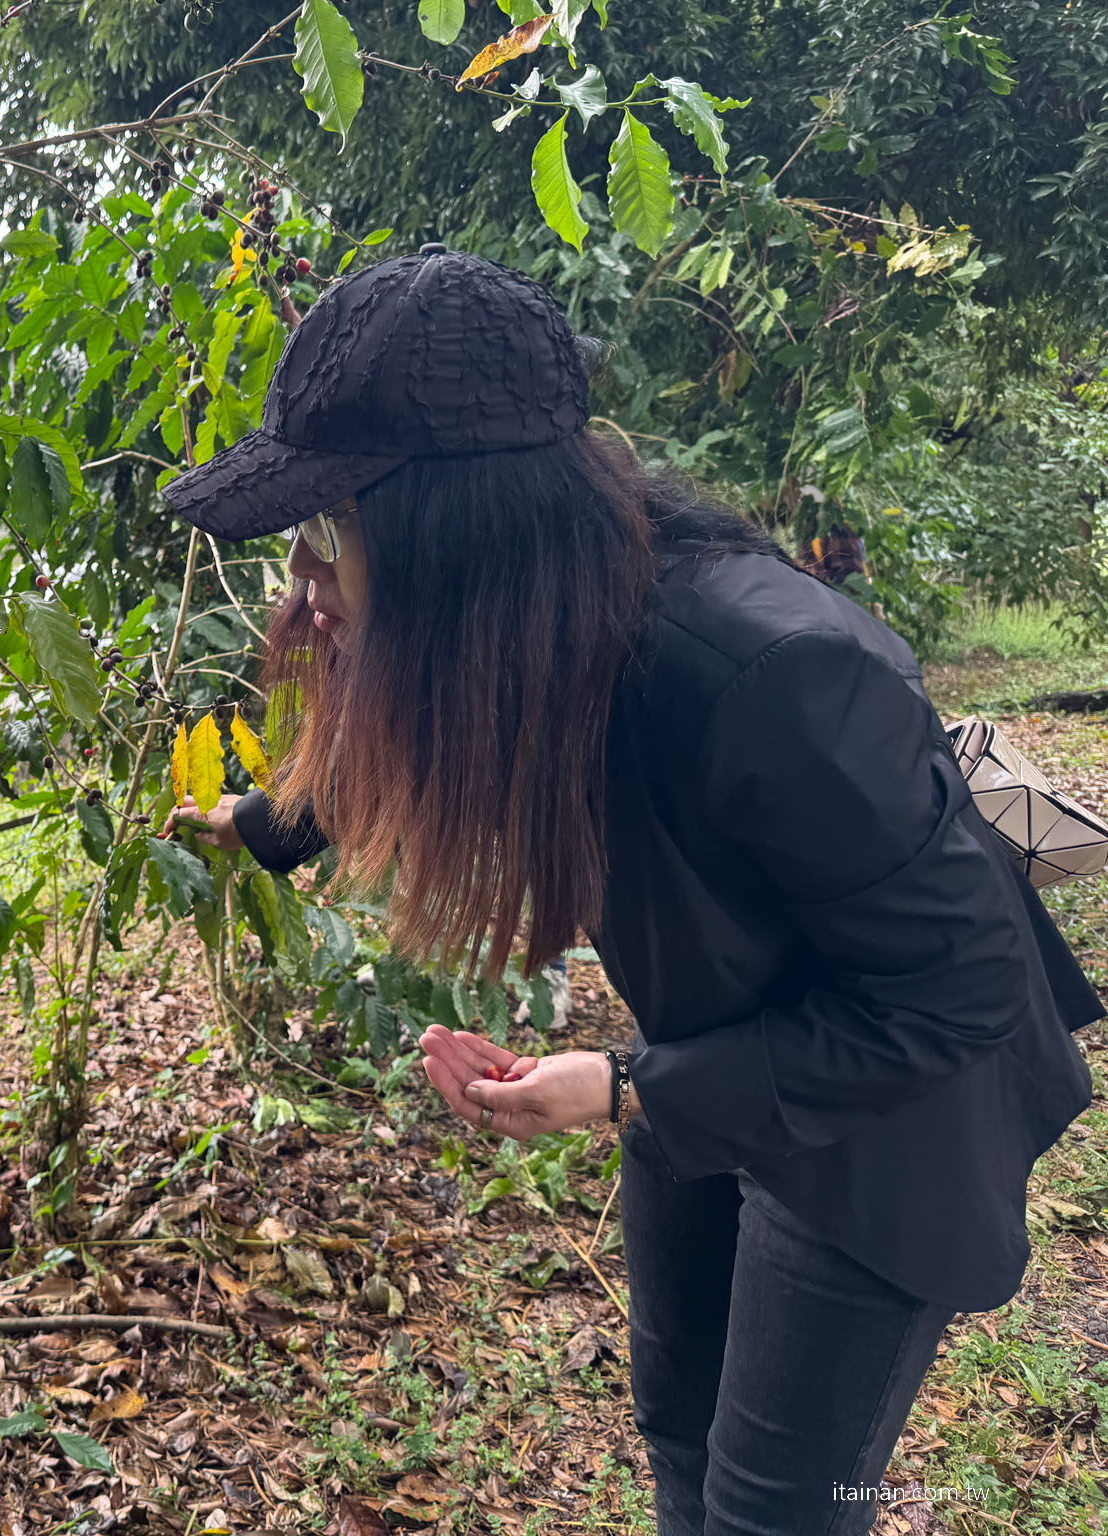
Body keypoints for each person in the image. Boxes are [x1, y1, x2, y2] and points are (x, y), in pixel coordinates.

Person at [164, 246, 1100, 1536]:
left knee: (779, 1506)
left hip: (892, 1115)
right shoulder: (539, 610)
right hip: (716, 1050)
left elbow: (960, 997)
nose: (300, 589)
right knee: (678, 1424)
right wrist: (267, 825)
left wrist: (621, 1088)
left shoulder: (774, 677)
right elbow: (430, 710)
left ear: (458, 534)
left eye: (325, 536)